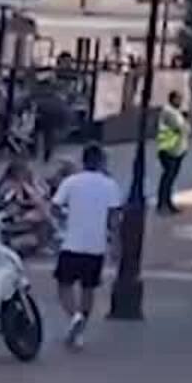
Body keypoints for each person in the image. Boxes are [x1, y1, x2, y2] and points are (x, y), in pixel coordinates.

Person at [50, 143, 122, 350]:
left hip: (72, 241)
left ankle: (74, 316)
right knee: (88, 289)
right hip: (96, 245)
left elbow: (55, 207)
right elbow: (114, 220)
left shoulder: (71, 182)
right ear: (101, 162)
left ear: (84, 161)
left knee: (64, 285)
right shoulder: (110, 185)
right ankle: (80, 330)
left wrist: (64, 221)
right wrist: (115, 245)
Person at [154, 94, 190, 215]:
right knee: (167, 178)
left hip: (177, 149)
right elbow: (181, 127)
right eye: (178, 99)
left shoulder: (175, 112)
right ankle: (162, 204)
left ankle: (168, 203)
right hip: (168, 149)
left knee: (170, 178)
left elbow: (185, 128)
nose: (180, 101)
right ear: (172, 99)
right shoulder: (169, 112)